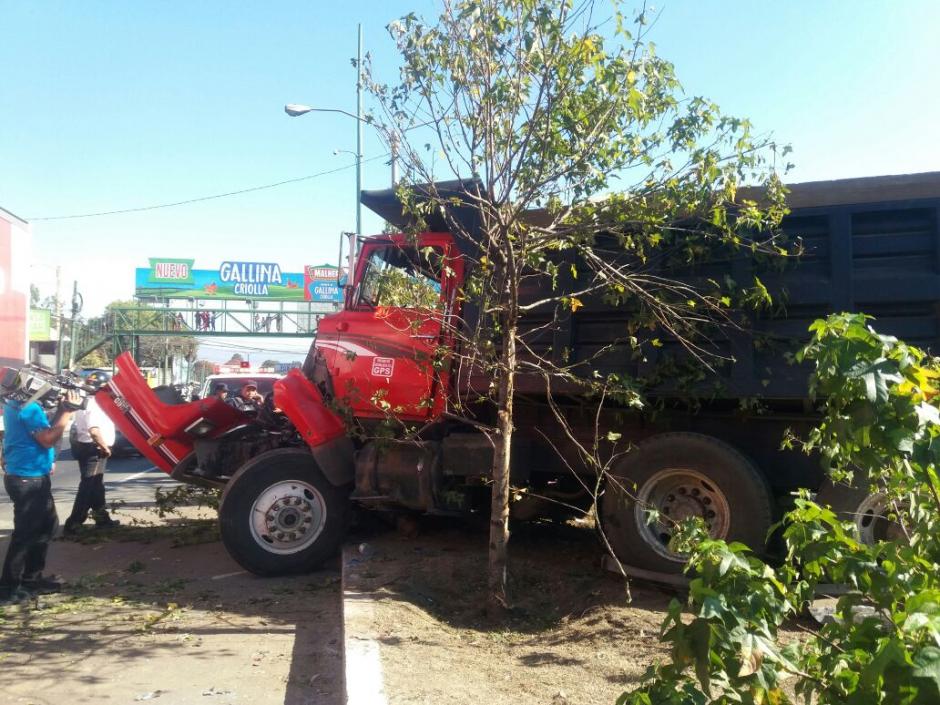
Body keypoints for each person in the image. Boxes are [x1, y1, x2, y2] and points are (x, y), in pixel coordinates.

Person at [1, 389, 81, 603]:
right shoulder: (29, 408)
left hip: (30, 476)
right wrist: (67, 413)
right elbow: (47, 438)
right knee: (26, 534)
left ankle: (31, 580)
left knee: (47, 526)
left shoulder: (15, 403)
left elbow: (42, 431)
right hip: (28, 479)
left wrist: (62, 410)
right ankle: (9, 588)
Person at [64, 381, 120, 534]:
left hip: (86, 447)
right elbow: (94, 430)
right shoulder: (95, 404)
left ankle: (102, 519)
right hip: (95, 449)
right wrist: (104, 447)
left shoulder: (86, 402)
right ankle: (74, 524)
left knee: (96, 486)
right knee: (88, 487)